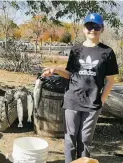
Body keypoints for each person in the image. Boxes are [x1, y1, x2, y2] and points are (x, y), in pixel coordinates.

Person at [42, 13, 118, 163]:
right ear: (84, 29)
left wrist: (102, 99)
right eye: (89, 26)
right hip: (72, 99)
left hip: (93, 102)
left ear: (102, 29)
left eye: (96, 26)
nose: (92, 29)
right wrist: (56, 70)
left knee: (84, 139)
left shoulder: (107, 52)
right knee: (70, 137)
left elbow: (110, 80)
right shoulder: (76, 50)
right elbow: (70, 74)